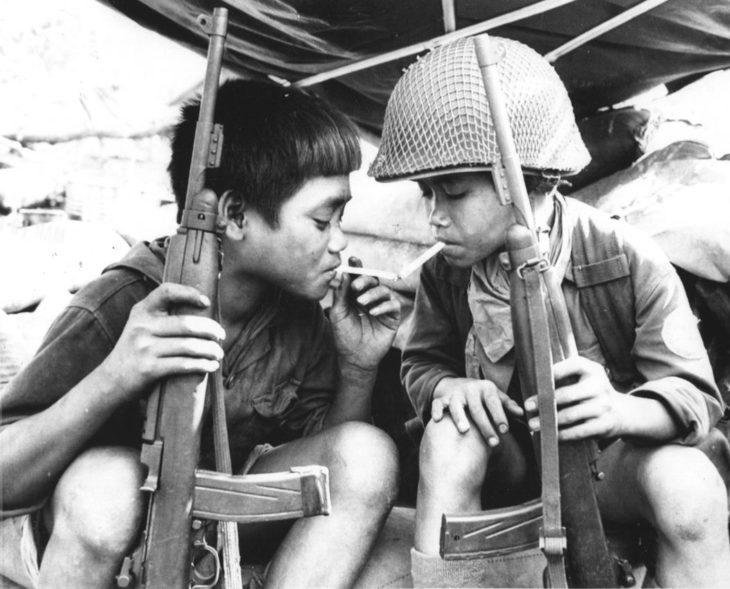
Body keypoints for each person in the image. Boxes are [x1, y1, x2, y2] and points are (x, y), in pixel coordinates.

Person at [0, 79, 401, 588]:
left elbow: (328, 478)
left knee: (368, 454)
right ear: (235, 216)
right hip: (88, 534)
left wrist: (359, 367)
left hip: (208, 523)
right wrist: (116, 376)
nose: (340, 242)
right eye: (323, 220)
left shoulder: (303, 319)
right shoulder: (121, 304)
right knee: (107, 490)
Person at [368, 36, 730, 587]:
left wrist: (618, 409)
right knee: (448, 433)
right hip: (511, 467)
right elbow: (420, 364)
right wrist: (448, 389)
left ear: (520, 179)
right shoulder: (446, 274)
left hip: (610, 466)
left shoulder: (626, 256)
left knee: (690, 488)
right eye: (427, 194)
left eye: (455, 194)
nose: (434, 217)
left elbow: (695, 394)